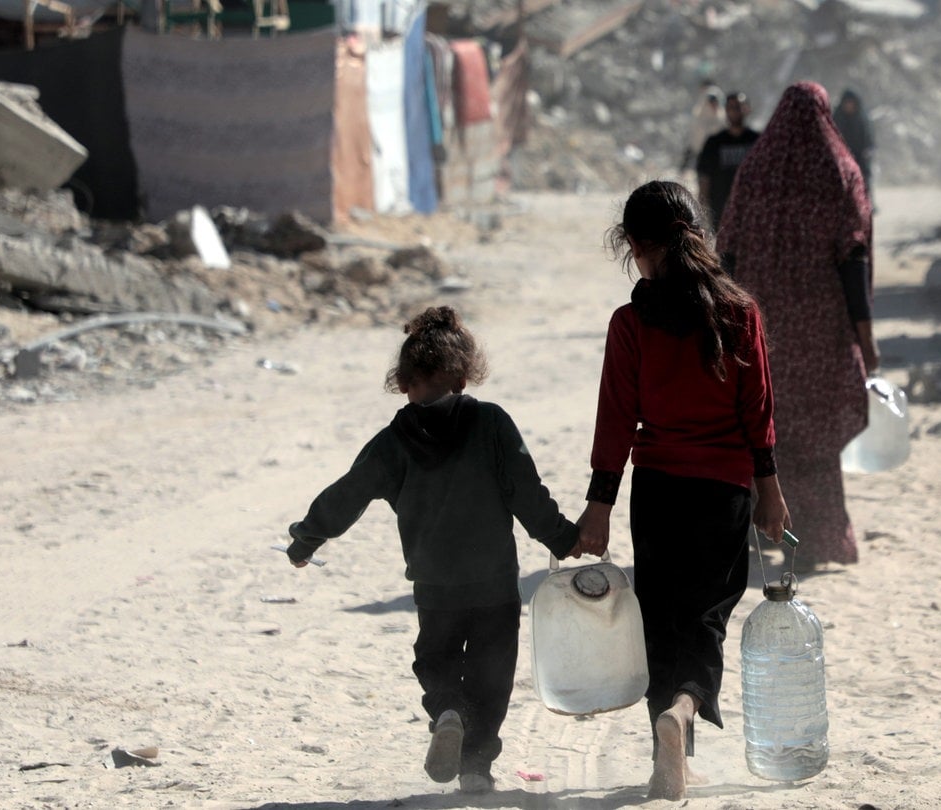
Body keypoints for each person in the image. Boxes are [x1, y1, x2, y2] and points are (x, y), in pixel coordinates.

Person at [283, 306, 581, 796]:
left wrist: (307, 538)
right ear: (463, 378)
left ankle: (446, 710)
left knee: (435, 661)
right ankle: (477, 764)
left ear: (404, 383)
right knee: (491, 675)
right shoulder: (492, 423)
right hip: (494, 584)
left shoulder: (392, 443)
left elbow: (348, 493)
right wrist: (564, 538)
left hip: (435, 584)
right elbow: (526, 492)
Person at [577, 180, 792, 801]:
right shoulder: (739, 313)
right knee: (706, 617)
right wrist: (769, 491)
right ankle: (687, 709)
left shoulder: (631, 322)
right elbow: (759, 413)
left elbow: (615, 417)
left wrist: (600, 504)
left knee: (661, 620)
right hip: (723, 489)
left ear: (635, 246)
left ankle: (665, 754)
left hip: (658, 488)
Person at [717, 81, 876, 571]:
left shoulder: (756, 171)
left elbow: (728, 251)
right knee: (816, 437)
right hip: (822, 333)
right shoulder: (839, 171)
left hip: (759, 331)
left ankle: (755, 531)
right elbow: (854, 257)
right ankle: (817, 540)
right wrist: (865, 336)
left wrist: (726, 322)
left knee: (762, 430)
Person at [695, 91, 759, 232]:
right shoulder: (714, 143)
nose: (735, 111)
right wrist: (703, 214)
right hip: (722, 215)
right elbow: (704, 180)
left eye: (739, 106)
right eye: (731, 107)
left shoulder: (758, 141)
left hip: (753, 216)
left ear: (747, 109)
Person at [833, 88, 875, 208]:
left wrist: (869, 149)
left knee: (863, 179)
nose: (849, 106)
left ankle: (866, 202)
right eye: (847, 103)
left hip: (860, 154)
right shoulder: (837, 116)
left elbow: (868, 135)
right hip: (842, 155)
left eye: (851, 103)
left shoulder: (861, 117)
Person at [682, 81, 724, 177]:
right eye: (712, 102)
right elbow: (697, 135)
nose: (714, 105)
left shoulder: (721, 117)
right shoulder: (700, 116)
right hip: (701, 149)